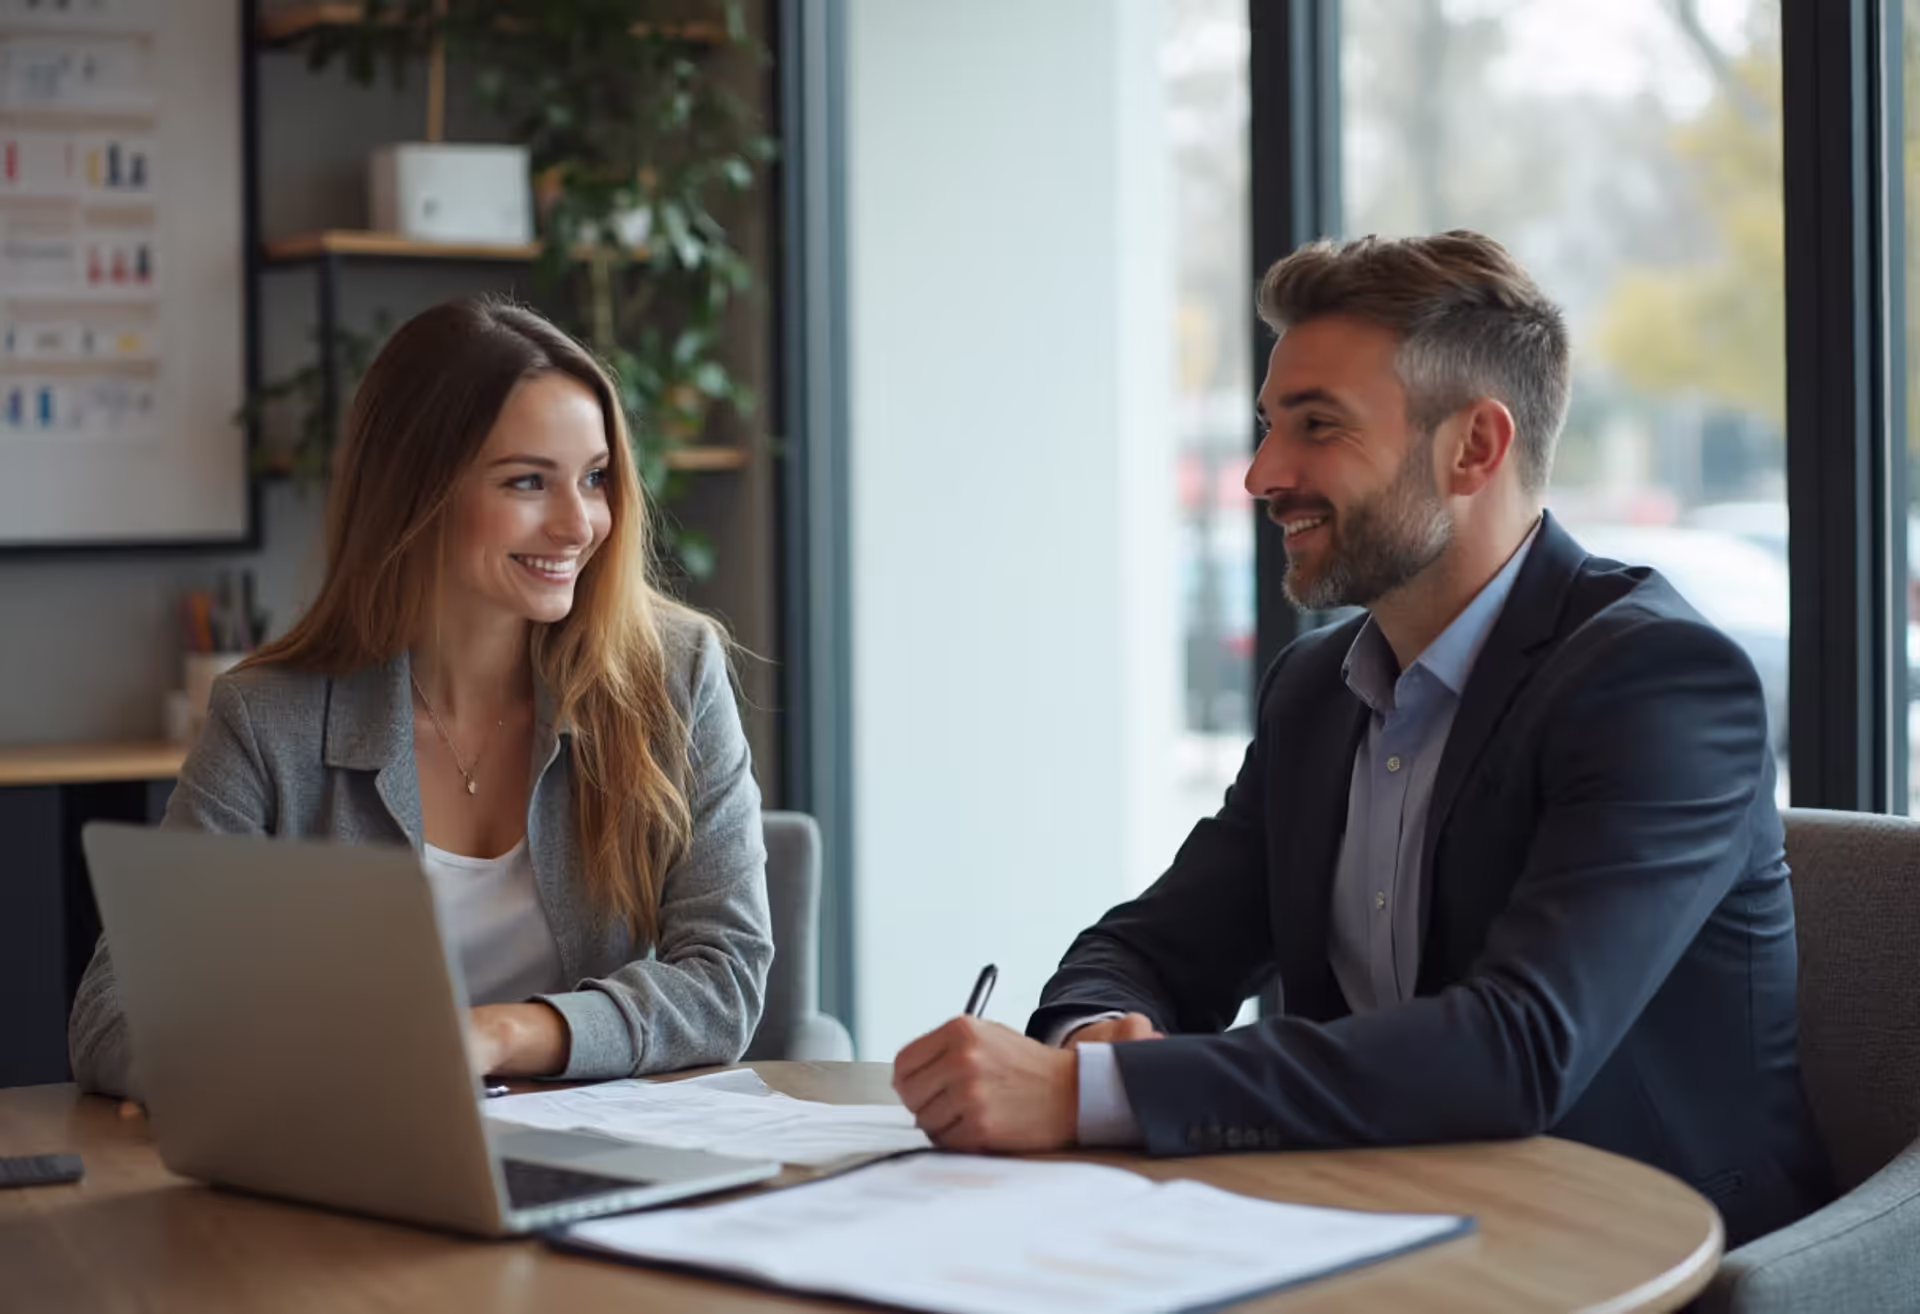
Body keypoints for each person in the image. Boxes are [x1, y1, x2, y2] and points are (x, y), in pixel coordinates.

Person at [891, 231, 1830, 1246]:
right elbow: (1147, 947)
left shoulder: (1658, 685)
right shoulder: (1317, 691)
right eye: (1265, 426)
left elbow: (1516, 1050)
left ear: (1474, 447)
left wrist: (1091, 1095)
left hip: (1635, 1257)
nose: (1259, 474)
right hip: (1361, 1230)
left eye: (1316, 426)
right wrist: (1100, 1035)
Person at [70, 296, 772, 1099]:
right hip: (359, 1159)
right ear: (417, 493)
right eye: (527, 482)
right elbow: (112, 1016)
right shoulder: (269, 720)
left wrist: (498, 1033)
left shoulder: (671, 677)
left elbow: (726, 978)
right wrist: (285, 1069)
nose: (579, 524)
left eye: (595, 478)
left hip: (598, 1158)